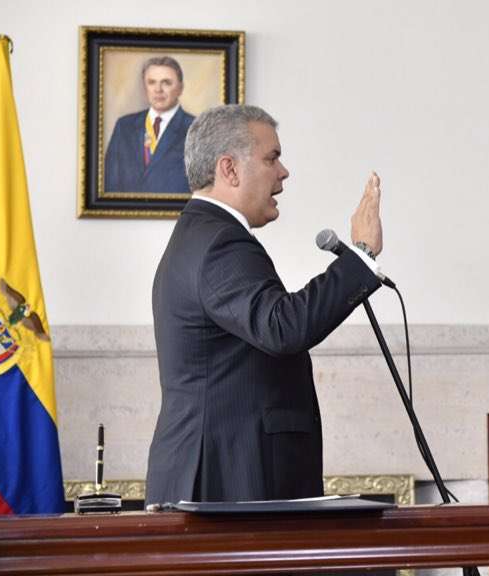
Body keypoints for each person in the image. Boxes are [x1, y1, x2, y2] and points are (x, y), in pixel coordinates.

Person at [145, 104, 385, 505]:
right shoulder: (219, 241)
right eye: (272, 158)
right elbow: (282, 327)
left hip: (226, 472)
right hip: (228, 479)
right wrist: (359, 256)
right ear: (230, 169)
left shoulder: (201, 234)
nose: (284, 171)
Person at [104, 56, 194, 193]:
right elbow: (109, 182)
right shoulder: (124, 126)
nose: (158, 89)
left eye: (166, 83)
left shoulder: (196, 128)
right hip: (124, 212)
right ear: (145, 87)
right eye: (152, 82)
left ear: (180, 88)